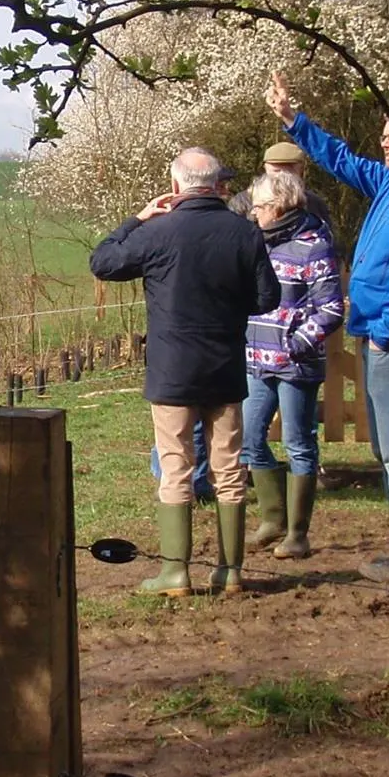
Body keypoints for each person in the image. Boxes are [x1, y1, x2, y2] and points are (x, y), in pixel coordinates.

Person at [268, 74, 389, 585]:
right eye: (382, 136)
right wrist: (293, 120)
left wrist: (387, 331)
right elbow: (342, 160)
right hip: (378, 335)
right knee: (388, 450)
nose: (384, 144)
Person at [93, 147, 276, 596]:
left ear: (175, 187)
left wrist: (138, 218)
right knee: (228, 469)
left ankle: (175, 574)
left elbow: (103, 261)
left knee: (176, 466)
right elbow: (267, 298)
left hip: (172, 371)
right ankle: (230, 571)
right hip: (225, 367)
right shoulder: (244, 232)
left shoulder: (157, 232)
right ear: (216, 185)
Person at [242, 166, 343, 558]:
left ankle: (298, 534)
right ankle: (272, 519)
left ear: (280, 206)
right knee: (250, 438)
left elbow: (330, 309)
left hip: (296, 365)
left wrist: (296, 344)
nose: (254, 213)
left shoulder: (314, 245)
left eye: (259, 206)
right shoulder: (258, 243)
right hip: (256, 359)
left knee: (298, 444)